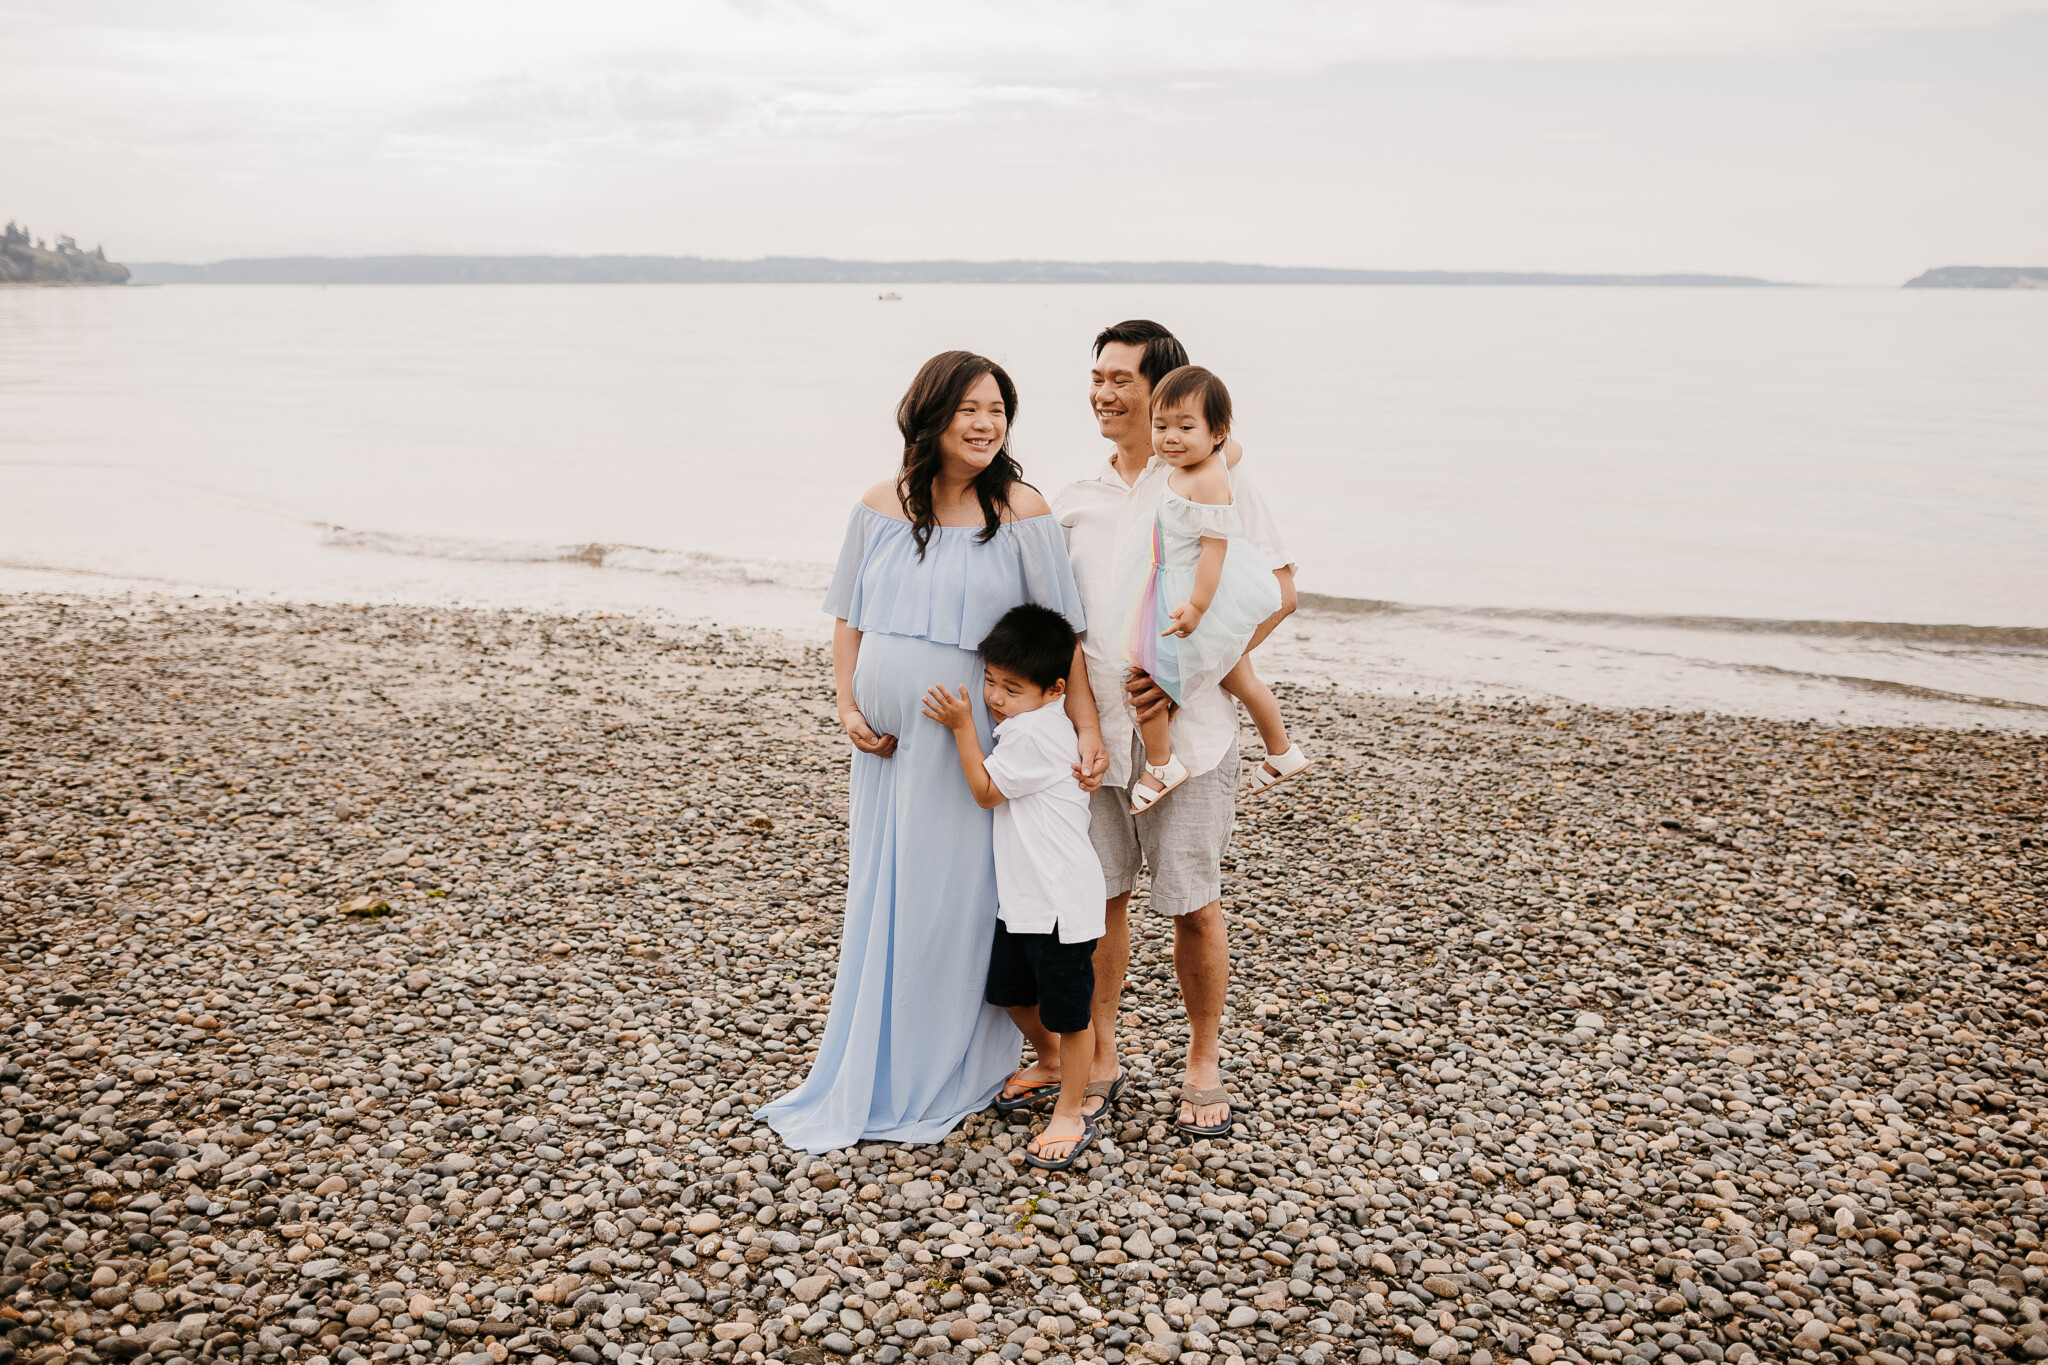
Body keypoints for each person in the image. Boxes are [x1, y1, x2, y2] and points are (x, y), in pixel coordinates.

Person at [756, 351, 1096, 1155]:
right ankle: (878, 1050)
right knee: (887, 892)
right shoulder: (881, 505)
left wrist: (1087, 728)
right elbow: (848, 616)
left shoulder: (1021, 509)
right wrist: (846, 701)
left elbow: (1063, 633)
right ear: (932, 415)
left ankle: (950, 1059)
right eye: (968, 409)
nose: (984, 424)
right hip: (883, 746)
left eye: (997, 410)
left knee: (955, 900)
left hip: (968, 742)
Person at [1051, 320, 1298, 1138]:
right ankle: (1105, 1050)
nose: (1105, 392)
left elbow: (1278, 593)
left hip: (1189, 738)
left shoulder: (1206, 475)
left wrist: (1184, 673)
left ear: (1165, 390)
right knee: (1102, 900)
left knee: (1193, 902)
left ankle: (1201, 1055)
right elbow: (1064, 626)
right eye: (1099, 376)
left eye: (1123, 378)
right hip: (1096, 736)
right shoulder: (1075, 495)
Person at [920, 603, 1105, 1171]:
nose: (997, 698)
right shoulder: (1028, 722)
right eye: (991, 682)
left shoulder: (1034, 734)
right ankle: (1048, 1064)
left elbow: (984, 790)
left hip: (1060, 902)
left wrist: (962, 727)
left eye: (1012, 689)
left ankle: (1071, 1112)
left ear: (1054, 691)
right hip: (1026, 899)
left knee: (1070, 1014)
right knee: (1009, 993)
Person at [1115, 365, 1288, 812]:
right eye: (1161, 426)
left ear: (1215, 433)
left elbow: (1214, 551)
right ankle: (1282, 751)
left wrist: (1195, 607)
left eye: (1185, 427)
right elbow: (1235, 447)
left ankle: (1161, 763)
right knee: (1236, 676)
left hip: (1185, 593)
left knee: (1145, 675)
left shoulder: (1211, 477)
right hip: (1163, 579)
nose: (1171, 437)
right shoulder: (1206, 459)